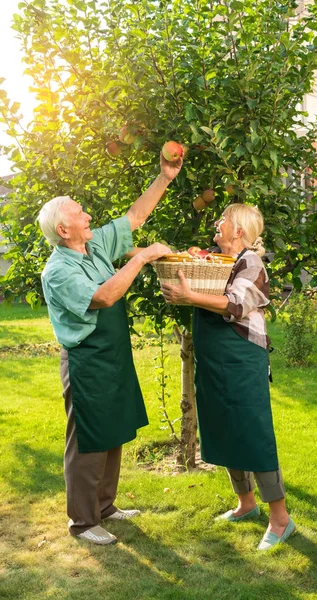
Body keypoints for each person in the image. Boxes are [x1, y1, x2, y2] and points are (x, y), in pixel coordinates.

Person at [37, 154, 181, 545]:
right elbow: (104, 296)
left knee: (113, 430)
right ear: (64, 229)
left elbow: (135, 216)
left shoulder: (95, 244)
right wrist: (145, 257)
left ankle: (104, 507)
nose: (88, 217)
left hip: (113, 355)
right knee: (88, 440)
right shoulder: (59, 270)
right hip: (87, 360)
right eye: (80, 214)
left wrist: (164, 178)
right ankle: (83, 522)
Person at [161, 203, 295, 551]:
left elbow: (235, 304)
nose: (217, 223)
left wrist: (189, 296)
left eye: (224, 220)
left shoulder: (251, 263)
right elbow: (190, 268)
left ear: (239, 231)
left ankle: (280, 520)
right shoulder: (215, 262)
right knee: (223, 425)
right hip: (214, 358)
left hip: (241, 359)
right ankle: (246, 503)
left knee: (253, 433)